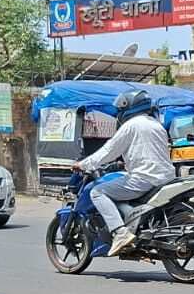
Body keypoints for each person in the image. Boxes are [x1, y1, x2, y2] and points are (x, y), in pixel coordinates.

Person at [73, 89, 176, 257]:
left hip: (144, 179)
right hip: (166, 178)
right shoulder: (156, 124)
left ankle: (120, 232)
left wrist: (84, 164)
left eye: (120, 109)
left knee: (98, 192)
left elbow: (108, 151)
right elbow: (146, 151)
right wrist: (123, 163)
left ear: (128, 107)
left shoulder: (131, 125)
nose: (119, 113)